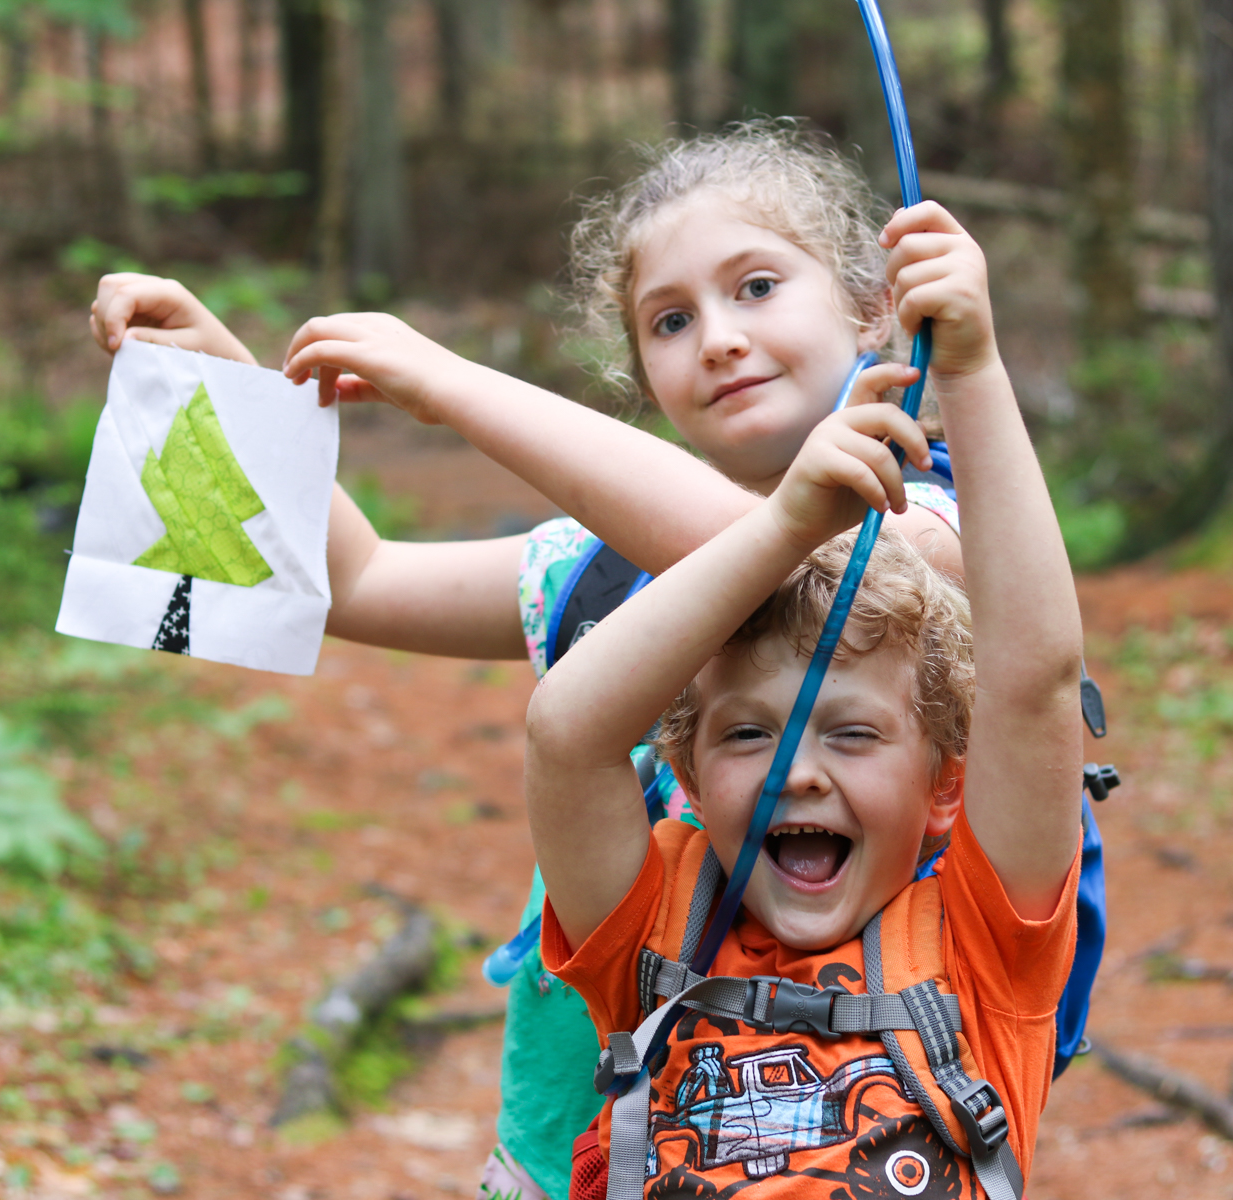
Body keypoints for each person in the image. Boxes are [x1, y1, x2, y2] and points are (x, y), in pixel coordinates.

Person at [88, 121, 968, 1200]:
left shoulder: (926, 530)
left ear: (872, 306)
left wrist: (450, 383)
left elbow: (789, 567)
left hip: (845, 1149)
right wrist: (218, 382)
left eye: (757, 287)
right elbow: (353, 583)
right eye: (672, 319)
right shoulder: (593, 573)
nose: (720, 339)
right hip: (572, 1134)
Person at [522, 200, 1084, 1195]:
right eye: (748, 734)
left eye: (856, 733)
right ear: (688, 772)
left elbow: (1033, 680)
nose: (800, 772)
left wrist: (974, 370)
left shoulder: (983, 952)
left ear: (946, 786)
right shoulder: (654, 926)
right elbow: (569, 735)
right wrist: (782, 529)